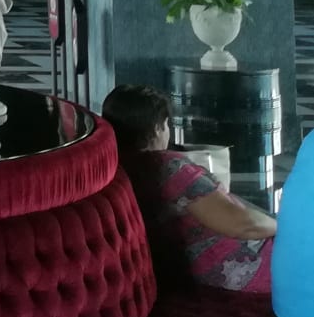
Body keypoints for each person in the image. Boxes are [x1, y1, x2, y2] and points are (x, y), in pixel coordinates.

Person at [102, 84, 275, 294]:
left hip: (195, 271)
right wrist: (286, 228)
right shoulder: (167, 168)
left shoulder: (116, 169)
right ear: (157, 128)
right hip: (240, 267)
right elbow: (242, 225)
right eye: (166, 124)